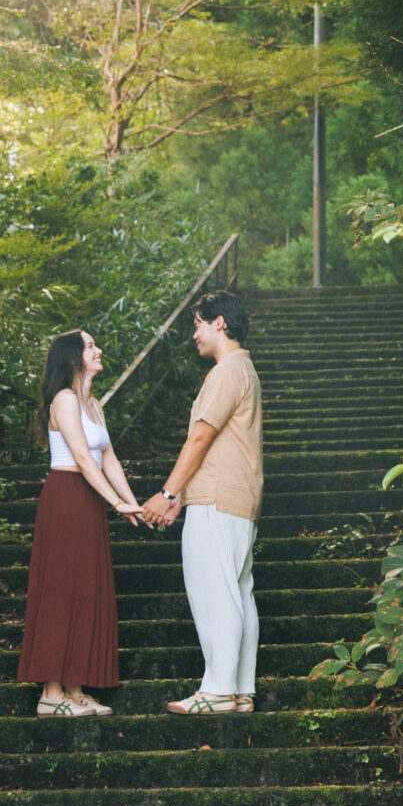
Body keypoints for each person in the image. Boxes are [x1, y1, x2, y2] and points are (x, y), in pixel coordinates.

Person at [139, 289, 263, 715]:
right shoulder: (243, 370)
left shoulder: (227, 371)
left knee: (216, 591)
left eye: (197, 324)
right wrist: (182, 499)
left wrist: (168, 492)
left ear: (219, 323)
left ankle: (218, 690)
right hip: (233, 497)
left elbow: (201, 437)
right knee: (238, 591)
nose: (193, 334)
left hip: (219, 500)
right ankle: (240, 688)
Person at [16, 329, 141, 716]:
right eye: (90, 345)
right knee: (60, 589)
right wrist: (115, 502)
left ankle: (75, 688)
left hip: (89, 500)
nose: (99, 349)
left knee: (85, 588)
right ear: (73, 357)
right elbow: (83, 460)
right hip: (67, 497)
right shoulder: (64, 400)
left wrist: (133, 504)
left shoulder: (93, 404)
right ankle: (51, 694)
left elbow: (109, 459)